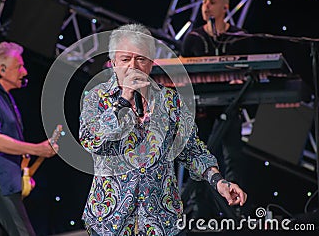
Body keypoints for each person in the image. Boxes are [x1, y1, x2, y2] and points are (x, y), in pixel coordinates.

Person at [79, 23, 247, 236]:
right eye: (125, 59)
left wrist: (219, 182)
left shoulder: (169, 100)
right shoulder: (97, 98)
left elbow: (191, 149)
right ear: (112, 63)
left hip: (161, 219)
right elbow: (91, 140)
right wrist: (123, 101)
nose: (133, 66)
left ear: (151, 63)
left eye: (140, 59)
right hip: (111, 219)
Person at [0, 41, 59, 236]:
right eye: (19, 66)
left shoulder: (1, 97)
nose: (24, 72)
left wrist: (22, 170)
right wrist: (37, 149)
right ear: (1, 70)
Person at [180, 0, 249, 219]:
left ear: (225, 8)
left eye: (212, 2)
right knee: (200, 160)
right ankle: (201, 216)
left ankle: (235, 213)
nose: (206, 6)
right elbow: (182, 74)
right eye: (204, 2)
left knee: (233, 159)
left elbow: (250, 71)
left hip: (231, 107)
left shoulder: (240, 37)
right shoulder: (194, 38)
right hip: (201, 110)